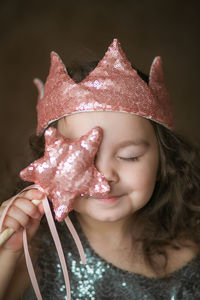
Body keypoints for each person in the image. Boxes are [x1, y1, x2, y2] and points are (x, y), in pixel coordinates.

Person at [0, 39, 200, 300]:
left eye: (129, 157)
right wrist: (9, 251)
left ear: (164, 159)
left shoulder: (193, 241)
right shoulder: (37, 247)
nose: (104, 177)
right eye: (83, 159)